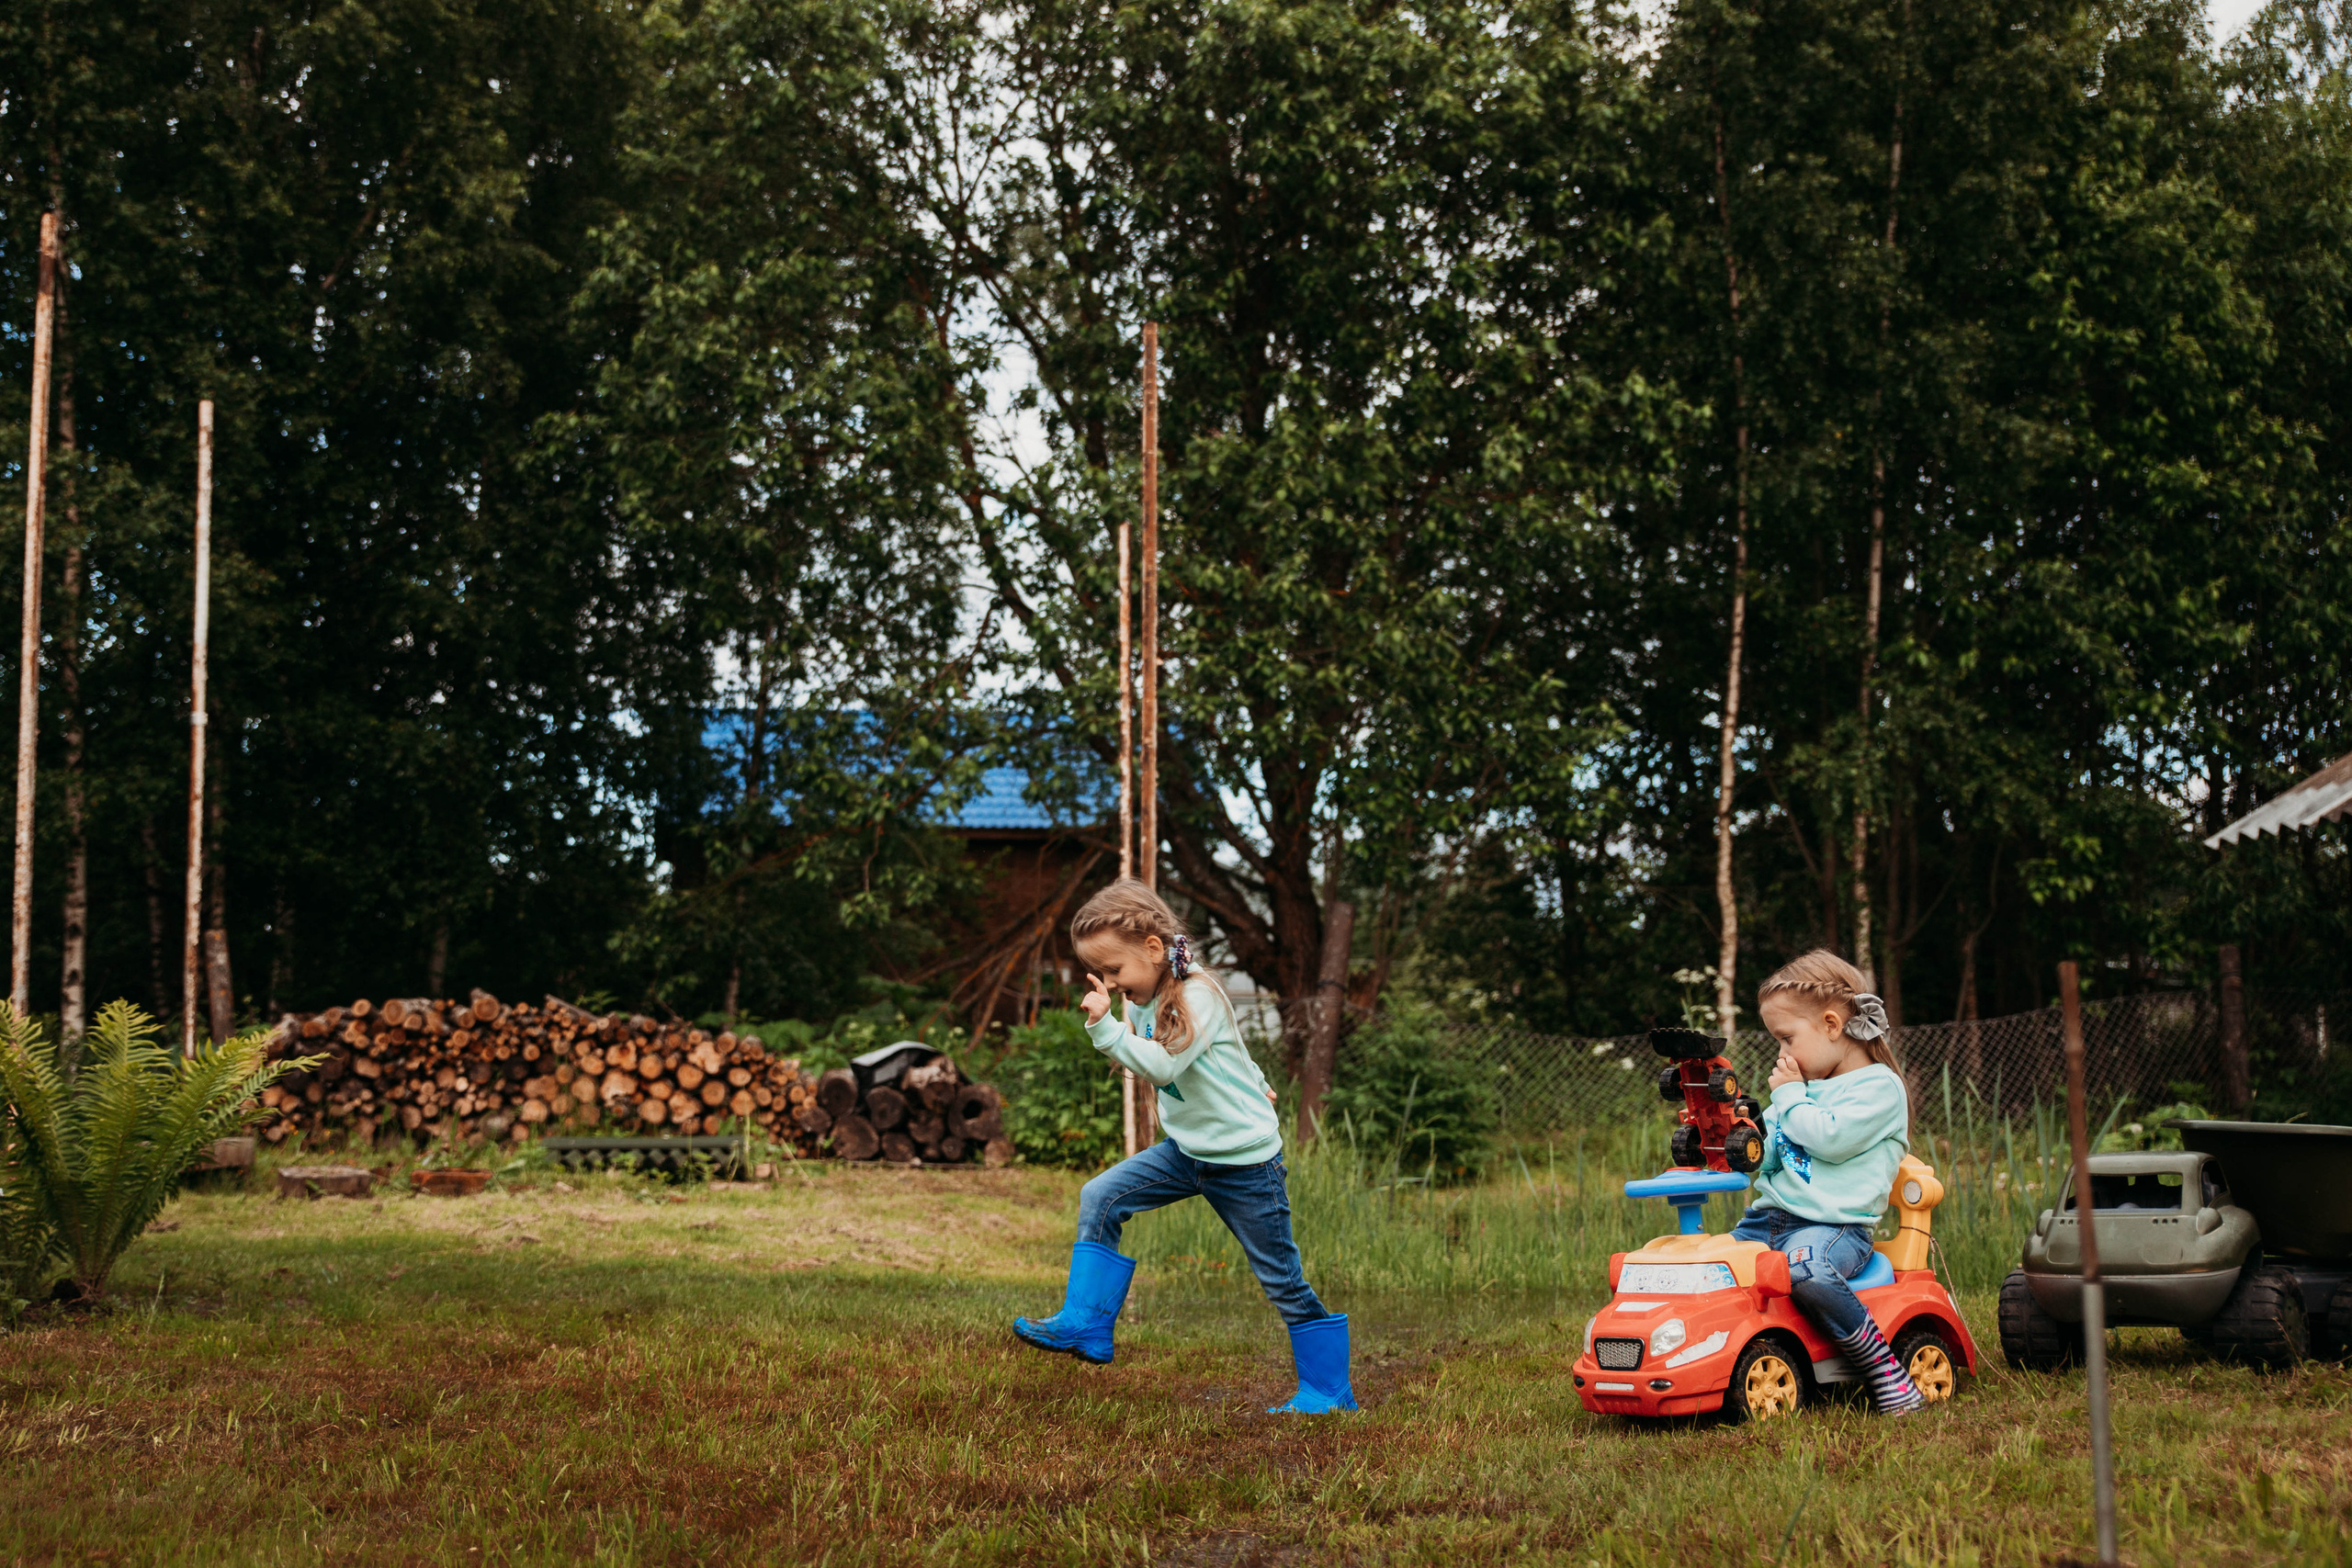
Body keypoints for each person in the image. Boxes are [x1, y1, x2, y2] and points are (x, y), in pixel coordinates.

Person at [1010, 878, 1355, 1414]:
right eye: (1101, 974)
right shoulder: (1142, 998)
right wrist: (1253, 1076)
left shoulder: (1197, 992)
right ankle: (1087, 1326)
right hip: (1187, 1153)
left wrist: (1103, 1028)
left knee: (1282, 1280)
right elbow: (1228, 1052)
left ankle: (1328, 1391)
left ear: (1153, 949)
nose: (1109, 983)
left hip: (1245, 1164)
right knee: (1100, 1196)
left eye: (1114, 971)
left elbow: (1166, 1063)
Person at [1732, 949, 1924, 1414]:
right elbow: (1774, 1156)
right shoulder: (1802, 1090)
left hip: (1835, 1229)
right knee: (1718, 1267)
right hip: (1767, 1222)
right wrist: (1750, 1135)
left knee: (1805, 1269)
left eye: (1786, 1038)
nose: (1782, 1054)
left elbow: (1829, 1139)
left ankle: (1882, 1368)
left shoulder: (1878, 1088)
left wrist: (1792, 1098)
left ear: (1833, 1025)